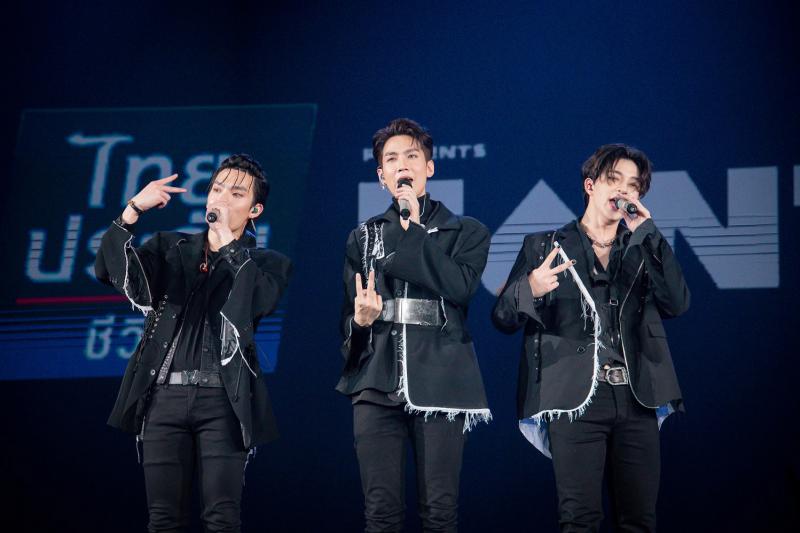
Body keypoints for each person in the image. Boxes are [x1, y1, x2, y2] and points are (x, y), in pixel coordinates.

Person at [492, 144, 690, 532]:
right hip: (575, 399)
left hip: (637, 397)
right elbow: (502, 317)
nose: (623, 191)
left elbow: (677, 303)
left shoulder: (644, 247)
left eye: (633, 186)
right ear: (590, 185)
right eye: (614, 180)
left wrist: (649, 234)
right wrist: (531, 287)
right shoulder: (544, 246)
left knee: (640, 520)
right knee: (579, 519)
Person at [95, 154, 291, 532]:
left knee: (222, 518)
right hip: (163, 398)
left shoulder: (267, 263)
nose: (221, 198)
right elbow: (109, 270)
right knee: (163, 519)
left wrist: (228, 244)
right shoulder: (171, 247)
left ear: (255, 210)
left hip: (223, 401)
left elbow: (256, 301)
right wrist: (132, 211)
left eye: (236, 194)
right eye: (217, 189)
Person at [337, 118, 492, 532]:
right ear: (381, 176)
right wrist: (361, 321)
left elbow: (460, 288)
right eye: (391, 159)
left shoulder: (467, 232)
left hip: (442, 377)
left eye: (411, 156)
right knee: (380, 513)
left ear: (429, 167)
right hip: (376, 379)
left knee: (440, 513)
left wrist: (416, 230)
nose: (402, 165)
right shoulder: (363, 237)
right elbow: (346, 324)